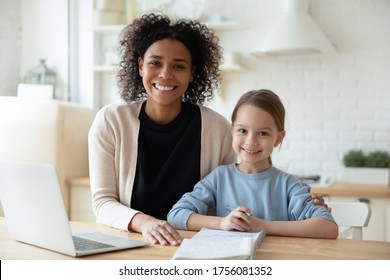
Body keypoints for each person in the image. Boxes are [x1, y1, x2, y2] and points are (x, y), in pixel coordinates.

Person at [88, 13, 330, 246]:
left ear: (193, 73)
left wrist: (309, 211)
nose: (165, 74)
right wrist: (146, 223)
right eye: (155, 63)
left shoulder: (217, 128)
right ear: (140, 66)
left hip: (197, 244)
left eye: (179, 66)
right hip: (130, 241)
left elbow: (234, 194)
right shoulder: (110, 122)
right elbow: (102, 202)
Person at [167, 89, 338, 239]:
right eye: (243, 131)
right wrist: (223, 222)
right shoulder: (219, 177)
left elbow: (328, 227)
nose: (251, 141)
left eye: (263, 133)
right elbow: (176, 215)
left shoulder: (289, 185)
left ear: (278, 138)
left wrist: (264, 226)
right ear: (232, 130)